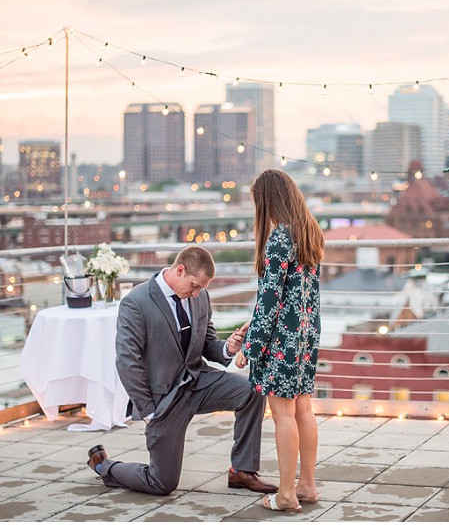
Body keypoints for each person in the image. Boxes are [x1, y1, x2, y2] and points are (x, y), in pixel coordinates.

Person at [86, 246, 278, 496]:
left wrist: (228, 348)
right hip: (164, 399)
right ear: (179, 270)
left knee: (252, 390)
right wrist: (150, 410)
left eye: (202, 289)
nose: (197, 293)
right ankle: (104, 466)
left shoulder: (200, 297)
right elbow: (127, 361)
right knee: (162, 483)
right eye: (195, 285)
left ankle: (241, 471)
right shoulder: (136, 302)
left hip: (200, 382)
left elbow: (208, 344)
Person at [235, 169, 325, 513]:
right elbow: (298, 295)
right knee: (304, 409)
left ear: (269, 200)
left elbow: (270, 299)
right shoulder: (309, 233)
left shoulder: (279, 239)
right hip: (304, 335)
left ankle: (286, 494)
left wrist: (250, 347)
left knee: (283, 413)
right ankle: (307, 485)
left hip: (281, 341)